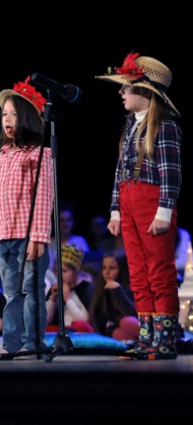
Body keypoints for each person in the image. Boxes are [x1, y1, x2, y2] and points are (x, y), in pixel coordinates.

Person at [96, 52, 182, 360]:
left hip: (151, 200)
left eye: (126, 87)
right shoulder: (130, 125)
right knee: (137, 272)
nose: (121, 93)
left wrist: (164, 211)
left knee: (159, 270)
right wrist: (115, 210)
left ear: (145, 92)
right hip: (129, 200)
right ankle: (147, 337)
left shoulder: (164, 126)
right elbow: (119, 172)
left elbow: (171, 172)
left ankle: (166, 340)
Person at [0, 76, 53, 357]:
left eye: (13, 114)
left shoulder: (39, 154)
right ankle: (10, 344)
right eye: (4, 114)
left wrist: (37, 237)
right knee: (10, 294)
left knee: (30, 293)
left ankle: (32, 342)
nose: (7, 119)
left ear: (27, 118)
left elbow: (44, 197)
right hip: (4, 237)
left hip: (27, 237)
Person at [89, 249, 138, 344]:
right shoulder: (100, 287)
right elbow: (97, 317)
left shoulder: (132, 286)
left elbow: (131, 315)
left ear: (122, 269)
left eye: (112, 268)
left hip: (135, 324)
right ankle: (145, 343)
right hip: (117, 330)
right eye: (104, 267)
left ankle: (159, 340)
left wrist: (117, 291)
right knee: (116, 333)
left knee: (126, 322)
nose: (107, 272)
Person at [46, 244, 94, 333]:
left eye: (64, 271)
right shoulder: (55, 288)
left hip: (78, 329)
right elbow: (46, 321)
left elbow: (85, 321)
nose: (59, 275)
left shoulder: (85, 288)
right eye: (57, 271)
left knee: (82, 326)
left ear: (76, 272)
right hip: (60, 329)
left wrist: (68, 299)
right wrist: (52, 299)